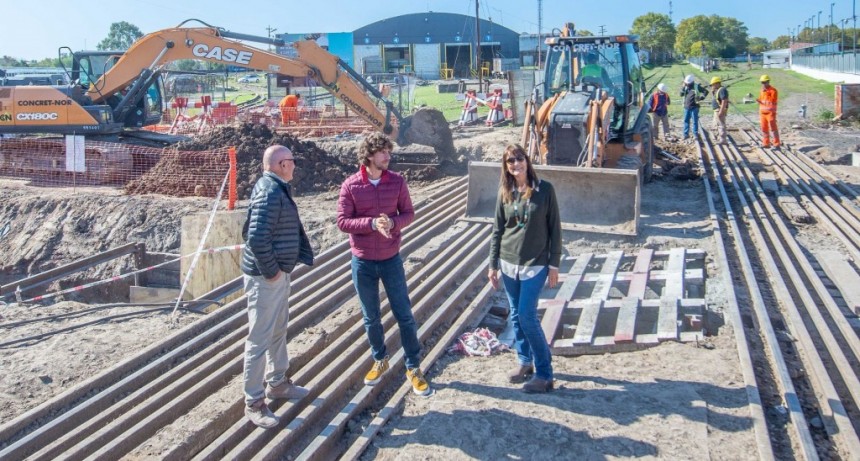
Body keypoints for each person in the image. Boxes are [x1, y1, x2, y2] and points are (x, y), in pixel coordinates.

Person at [336, 132, 431, 396]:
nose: (388, 156)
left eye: (388, 151)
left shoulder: (397, 182)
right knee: (371, 318)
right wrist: (370, 223)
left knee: (404, 315)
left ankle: (413, 367)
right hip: (363, 262)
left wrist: (393, 222)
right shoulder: (351, 185)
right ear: (369, 156)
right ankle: (380, 359)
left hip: (391, 260)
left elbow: (408, 213)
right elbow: (343, 221)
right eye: (382, 152)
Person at [240, 145, 314, 428]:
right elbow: (256, 237)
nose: (295, 165)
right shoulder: (270, 192)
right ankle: (254, 402)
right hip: (266, 278)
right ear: (282, 164)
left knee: (278, 330)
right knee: (259, 339)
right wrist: (271, 272)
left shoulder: (276, 187)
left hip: (278, 273)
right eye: (292, 161)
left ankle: (278, 383)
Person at [488, 144, 562, 394]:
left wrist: (554, 263)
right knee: (516, 315)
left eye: (519, 159)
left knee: (527, 316)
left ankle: (545, 374)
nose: (515, 164)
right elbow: (497, 230)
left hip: (535, 264)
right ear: (506, 166)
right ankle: (524, 361)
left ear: (527, 161)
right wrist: (493, 264)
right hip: (509, 264)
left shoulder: (545, 190)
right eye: (510, 161)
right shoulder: (505, 192)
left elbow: (555, 229)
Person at [680, 74, 708, 141]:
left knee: (695, 121)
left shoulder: (696, 86)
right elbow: (681, 94)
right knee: (686, 121)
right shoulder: (686, 87)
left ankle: (695, 134)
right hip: (687, 107)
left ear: (692, 82)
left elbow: (706, 91)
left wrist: (701, 97)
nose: (687, 84)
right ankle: (685, 134)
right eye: (687, 83)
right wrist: (683, 87)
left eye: (688, 83)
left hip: (695, 107)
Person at [756, 75, 780, 148]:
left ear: (768, 82)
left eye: (764, 82)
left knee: (773, 128)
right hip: (762, 113)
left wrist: (766, 92)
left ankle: (776, 143)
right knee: (764, 128)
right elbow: (762, 99)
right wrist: (759, 101)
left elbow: (773, 100)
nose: (763, 84)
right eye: (762, 82)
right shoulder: (762, 91)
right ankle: (766, 143)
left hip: (770, 113)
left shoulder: (773, 90)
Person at [710, 76, 729, 145]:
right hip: (717, 110)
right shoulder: (718, 90)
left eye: (713, 84)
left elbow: (724, 101)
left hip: (719, 110)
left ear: (717, 83)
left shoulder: (722, 90)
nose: (712, 86)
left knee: (720, 124)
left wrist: (721, 111)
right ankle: (719, 138)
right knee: (716, 124)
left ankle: (723, 139)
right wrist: (713, 92)